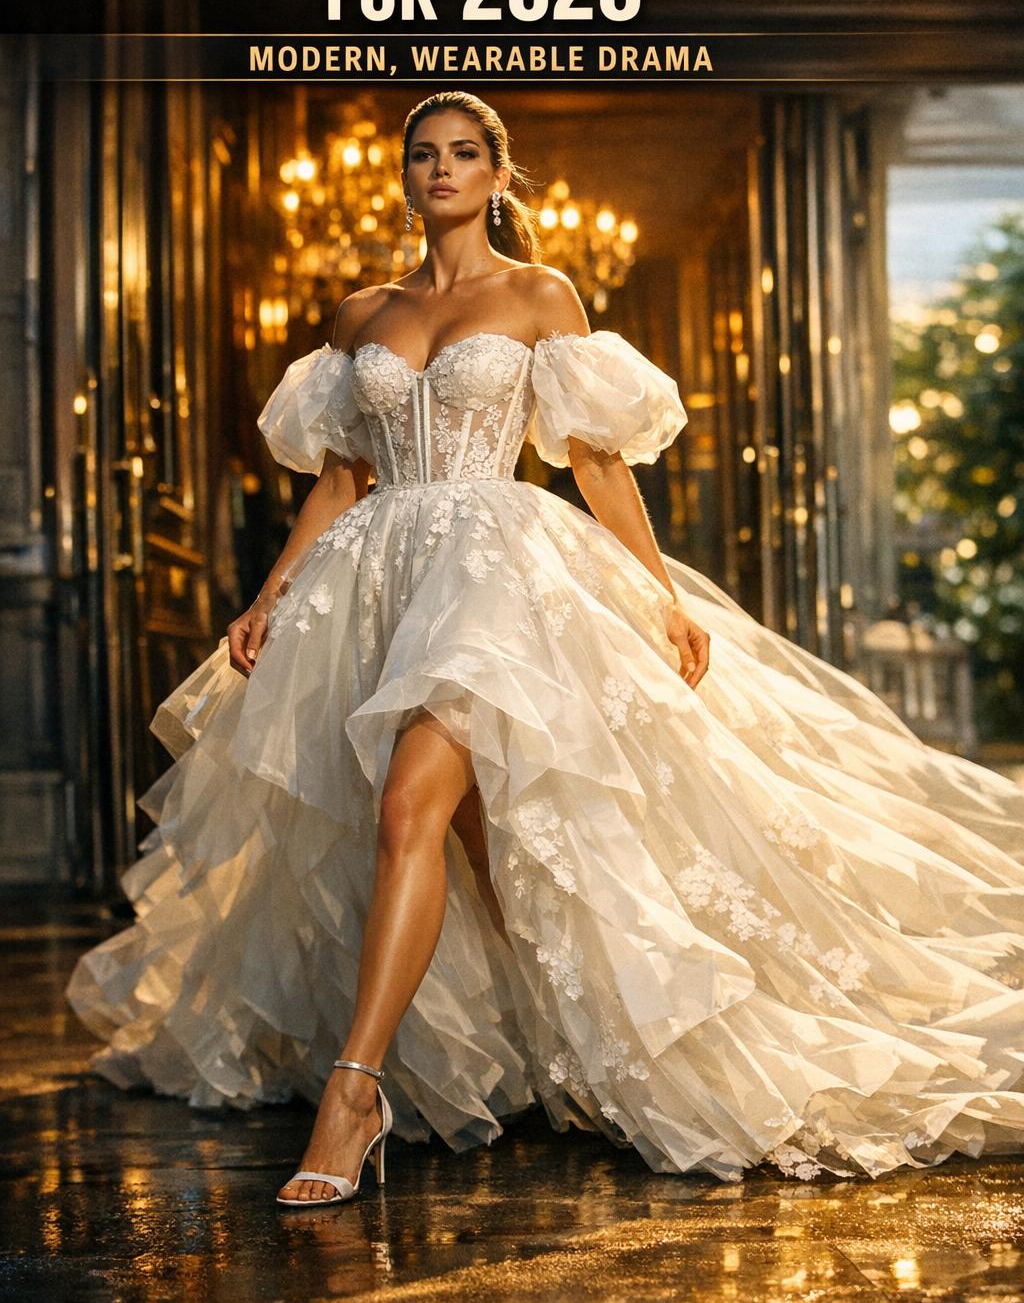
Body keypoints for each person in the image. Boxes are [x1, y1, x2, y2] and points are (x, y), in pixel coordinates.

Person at [67, 91, 1024, 1201]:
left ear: (496, 176)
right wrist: (270, 594)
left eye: (463, 154)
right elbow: (339, 478)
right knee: (482, 843)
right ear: (406, 176)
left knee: (408, 810)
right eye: (423, 155)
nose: (441, 170)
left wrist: (658, 595)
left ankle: (353, 1094)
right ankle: (547, 1045)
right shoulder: (361, 311)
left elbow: (594, 461)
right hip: (374, 584)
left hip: (495, 582)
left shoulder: (539, 293)